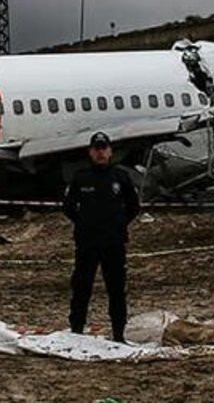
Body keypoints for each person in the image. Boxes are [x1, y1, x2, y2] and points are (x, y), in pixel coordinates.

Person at [62, 132, 140, 343]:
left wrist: (119, 223)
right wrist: (84, 222)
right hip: (87, 242)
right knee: (81, 287)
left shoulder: (121, 177)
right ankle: (76, 329)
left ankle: (119, 333)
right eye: (96, 149)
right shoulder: (81, 177)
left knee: (116, 289)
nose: (100, 153)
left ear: (110, 151)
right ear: (90, 152)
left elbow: (134, 206)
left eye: (103, 148)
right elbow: (68, 207)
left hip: (113, 242)